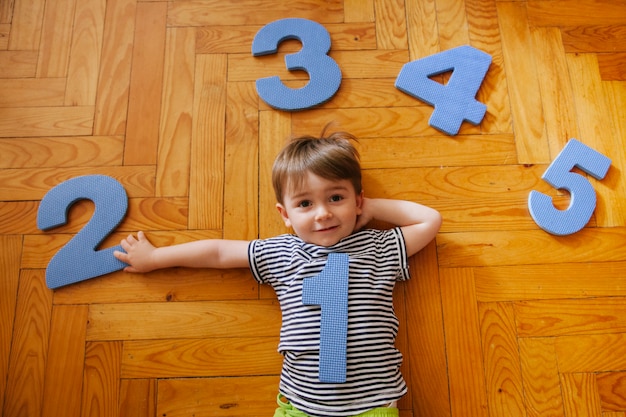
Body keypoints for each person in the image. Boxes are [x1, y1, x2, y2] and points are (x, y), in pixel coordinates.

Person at [114, 129, 442, 417]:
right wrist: (156, 257)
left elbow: (429, 221)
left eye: (336, 197)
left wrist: (371, 208)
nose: (323, 213)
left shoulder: (378, 248)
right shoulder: (281, 252)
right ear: (285, 215)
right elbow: (217, 252)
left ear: (357, 201)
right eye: (305, 204)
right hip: (300, 405)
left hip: (372, 405)